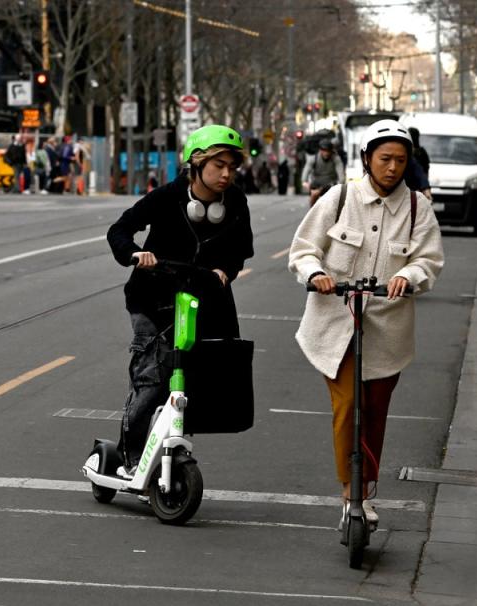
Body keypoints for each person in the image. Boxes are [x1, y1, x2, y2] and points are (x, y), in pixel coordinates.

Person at [288, 119, 443, 529]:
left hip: (387, 332)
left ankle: (367, 489)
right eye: (385, 159)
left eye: (400, 160)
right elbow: (303, 250)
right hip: (334, 326)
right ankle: (349, 492)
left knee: (375, 410)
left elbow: (428, 261)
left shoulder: (417, 209)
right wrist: (314, 273)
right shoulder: (339, 198)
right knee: (348, 408)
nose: (392, 168)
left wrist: (407, 277)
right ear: (367, 160)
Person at [106, 124, 254, 476]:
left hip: (203, 299)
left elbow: (242, 249)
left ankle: (168, 447)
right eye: (218, 165)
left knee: (198, 376)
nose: (226, 174)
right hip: (152, 300)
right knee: (154, 377)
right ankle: (131, 458)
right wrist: (136, 254)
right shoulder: (167, 197)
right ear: (197, 164)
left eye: (232, 167)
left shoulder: (234, 202)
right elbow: (119, 230)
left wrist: (226, 270)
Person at [302, 138, 345, 206]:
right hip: (317, 183)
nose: (326, 153)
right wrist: (304, 182)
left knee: (336, 202)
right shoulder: (314, 158)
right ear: (320, 150)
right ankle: (313, 211)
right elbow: (306, 170)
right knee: (314, 195)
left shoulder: (336, 159)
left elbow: (341, 176)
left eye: (328, 151)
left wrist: (339, 183)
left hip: (330, 184)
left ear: (331, 151)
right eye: (324, 151)